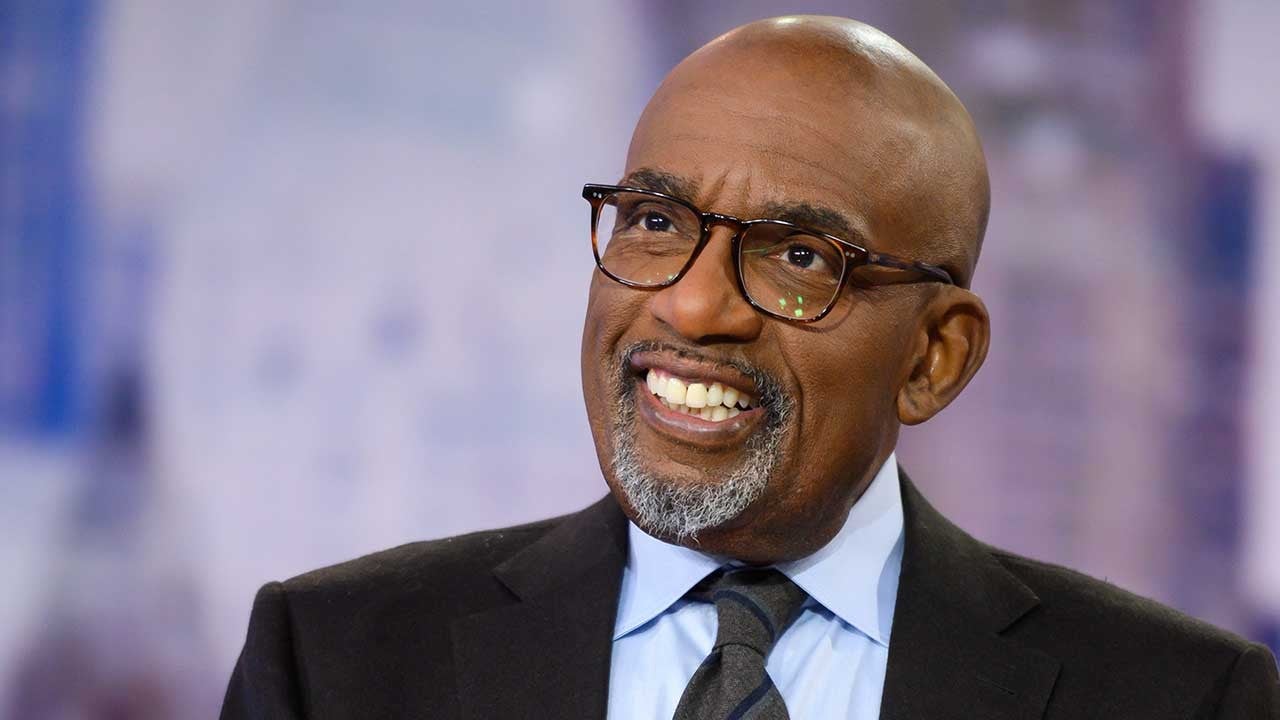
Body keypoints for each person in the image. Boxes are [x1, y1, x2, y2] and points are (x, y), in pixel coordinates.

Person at [220, 15, 1280, 719]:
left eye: (799, 256)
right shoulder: (337, 662)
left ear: (933, 357)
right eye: (653, 221)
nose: (691, 304)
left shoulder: (1177, 699)